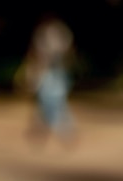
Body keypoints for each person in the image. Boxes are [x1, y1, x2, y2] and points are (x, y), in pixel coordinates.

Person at [15, 14, 77, 146]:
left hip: (54, 72)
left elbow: (58, 53)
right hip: (50, 71)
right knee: (47, 102)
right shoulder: (53, 31)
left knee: (52, 102)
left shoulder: (56, 31)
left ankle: (65, 131)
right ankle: (42, 130)